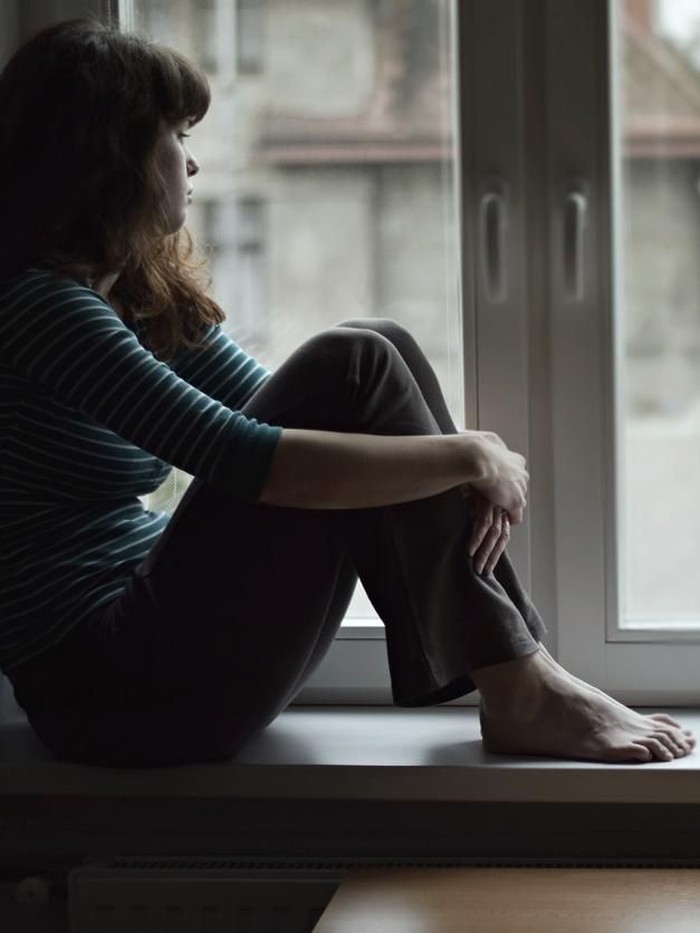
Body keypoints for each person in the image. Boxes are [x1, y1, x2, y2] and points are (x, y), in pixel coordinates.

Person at [0, 18, 693, 768]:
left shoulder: (131, 294)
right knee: (356, 360)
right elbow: (248, 457)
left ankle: (524, 678)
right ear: (113, 159)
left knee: (377, 347)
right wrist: (466, 455)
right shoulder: (39, 308)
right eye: (175, 135)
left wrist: (455, 457)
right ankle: (522, 686)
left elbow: (288, 409)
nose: (192, 165)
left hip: (158, 659)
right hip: (109, 693)